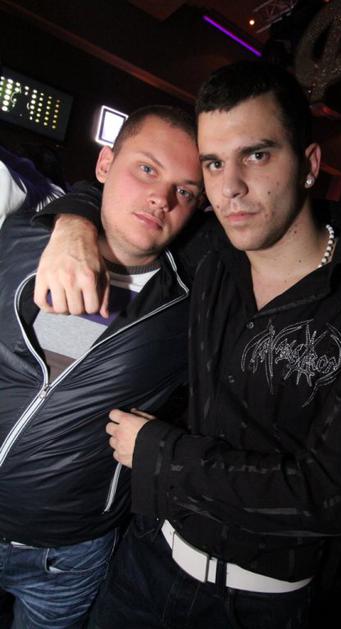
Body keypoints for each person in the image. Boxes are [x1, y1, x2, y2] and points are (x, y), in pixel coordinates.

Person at [34, 61, 341, 629]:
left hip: (259, 605)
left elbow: (332, 497)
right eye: (214, 163)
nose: (230, 186)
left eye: (256, 155)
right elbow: (127, 201)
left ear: (310, 165)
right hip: (144, 563)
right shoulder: (208, 251)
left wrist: (161, 454)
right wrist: (74, 224)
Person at [0, 105, 202, 628]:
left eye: (185, 191)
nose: (161, 198)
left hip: (64, 557)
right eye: (147, 169)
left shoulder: (188, 306)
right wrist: (72, 220)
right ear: (106, 163)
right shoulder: (17, 232)